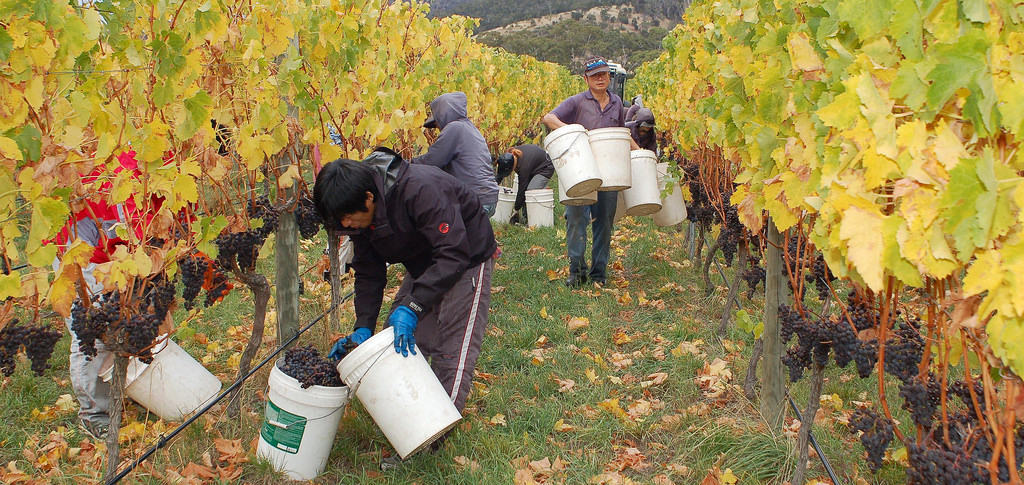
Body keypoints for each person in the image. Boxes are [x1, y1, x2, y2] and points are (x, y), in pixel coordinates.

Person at [314, 148, 496, 457]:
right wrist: (363, 328)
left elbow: (453, 254)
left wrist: (412, 307)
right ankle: (411, 420)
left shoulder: (422, 190)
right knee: (397, 343)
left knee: (451, 350)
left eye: (349, 218)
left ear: (369, 198)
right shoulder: (359, 216)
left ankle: (433, 440)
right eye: (341, 221)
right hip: (425, 263)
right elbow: (369, 273)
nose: (348, 224)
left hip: (465, 258)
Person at [50, 150, 155, 441]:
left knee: (129, 319)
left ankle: (123, 388)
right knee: (93, 330)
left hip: (122, 242)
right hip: (82, 243)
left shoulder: (145, 131)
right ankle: (94, 414)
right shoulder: (86, 139)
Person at [541, 56, 639, 288]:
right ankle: (577, 271)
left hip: (608, 172)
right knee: (575, 220)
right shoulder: (576, 102)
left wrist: (641, 153)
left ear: (609, 77)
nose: (600, 79)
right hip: (579, 170)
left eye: (604, 75)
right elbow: (548, 118)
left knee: (604, 222)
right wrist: (574, 130)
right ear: (586, 79)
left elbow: (622, 133)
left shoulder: (617, 103)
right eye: (595, 75)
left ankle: (598, 273)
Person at [413, 91, 499, 217]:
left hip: (474, 200)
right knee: (471, 235)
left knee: (441, 230)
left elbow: (432, 162)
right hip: (486, 197)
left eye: (436, 121)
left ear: (444, 115)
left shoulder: (455, 128)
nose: (437, 126)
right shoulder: (469, 128)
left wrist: (405, 164)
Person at [494, 144, 554, 225]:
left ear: (513, 166)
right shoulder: (509, 155)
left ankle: (535, 220)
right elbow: (501, 173)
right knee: (527, 192)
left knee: (530, 190)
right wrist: (494, 185)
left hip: (545, 167)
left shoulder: (523, 167)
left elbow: (522, 190)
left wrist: (516, 209)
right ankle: (526, 218)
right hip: (533, 167)